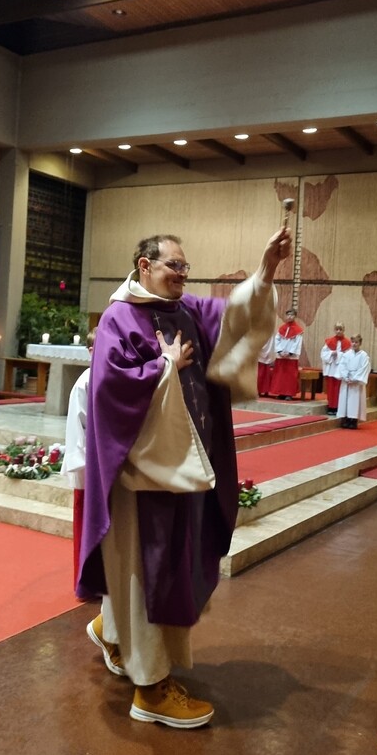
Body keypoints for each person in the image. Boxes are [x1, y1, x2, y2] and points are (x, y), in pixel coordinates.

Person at [79, 227, 291, 728]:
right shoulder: (119, 317)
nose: (182, 274)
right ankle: (150, 689)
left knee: (158, 571)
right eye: (174, 265)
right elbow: (109, 391)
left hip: (184, 466)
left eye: (185, 266)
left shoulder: (186, 310)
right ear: (144, 265)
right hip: (144, 474)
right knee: (146, 572)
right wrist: (163, 367)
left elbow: (238, 317)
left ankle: (114, 631)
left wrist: (266, 269)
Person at [60, 329, 96, 586]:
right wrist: (84, 468)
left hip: (106, 467)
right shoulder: (84, 382)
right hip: (88, 468)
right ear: (91, 351)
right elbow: (76, 428)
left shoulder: (112, 376)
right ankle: (86, 582)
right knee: (86, 526)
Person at [336, 334, 371, 428]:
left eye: (356, 342)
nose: (354, 344)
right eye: (352, 342)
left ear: (360, 343)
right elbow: (342, 366)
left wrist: (355, 379)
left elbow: (364, 368)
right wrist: (346, 377)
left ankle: (354, 420)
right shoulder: (346, 354)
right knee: (346, 399)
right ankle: (346, 418)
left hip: (356, 382)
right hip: (347, 380)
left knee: (355, 400)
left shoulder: (364, 355)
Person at [269, 308, 303, 400]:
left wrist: (290, 353)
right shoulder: (281, 328)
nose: (289, 317)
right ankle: (281, 392)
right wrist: (280, 351)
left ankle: (289, 394)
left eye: (292, 315)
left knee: (290, 376)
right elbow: (277, 340)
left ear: (295, 316)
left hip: (291, 357)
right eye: (288, 315)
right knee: (280, 375)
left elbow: (297, 343)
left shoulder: (298, 330)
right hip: (281, 356)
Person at [320, 322, 352, 415]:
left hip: (340, 368)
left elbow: (349, 356)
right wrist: (331, 353)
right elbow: (323, 353)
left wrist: (339, 354)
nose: (338, 331)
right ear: (334, 330)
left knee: (339, 389)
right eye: (337, 329)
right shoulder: (329, 341)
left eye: (340, 329)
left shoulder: (347, 343)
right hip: (332, 368)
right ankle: (331, 407)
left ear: (343, 330)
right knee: (331, 388)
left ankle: (338, 407)